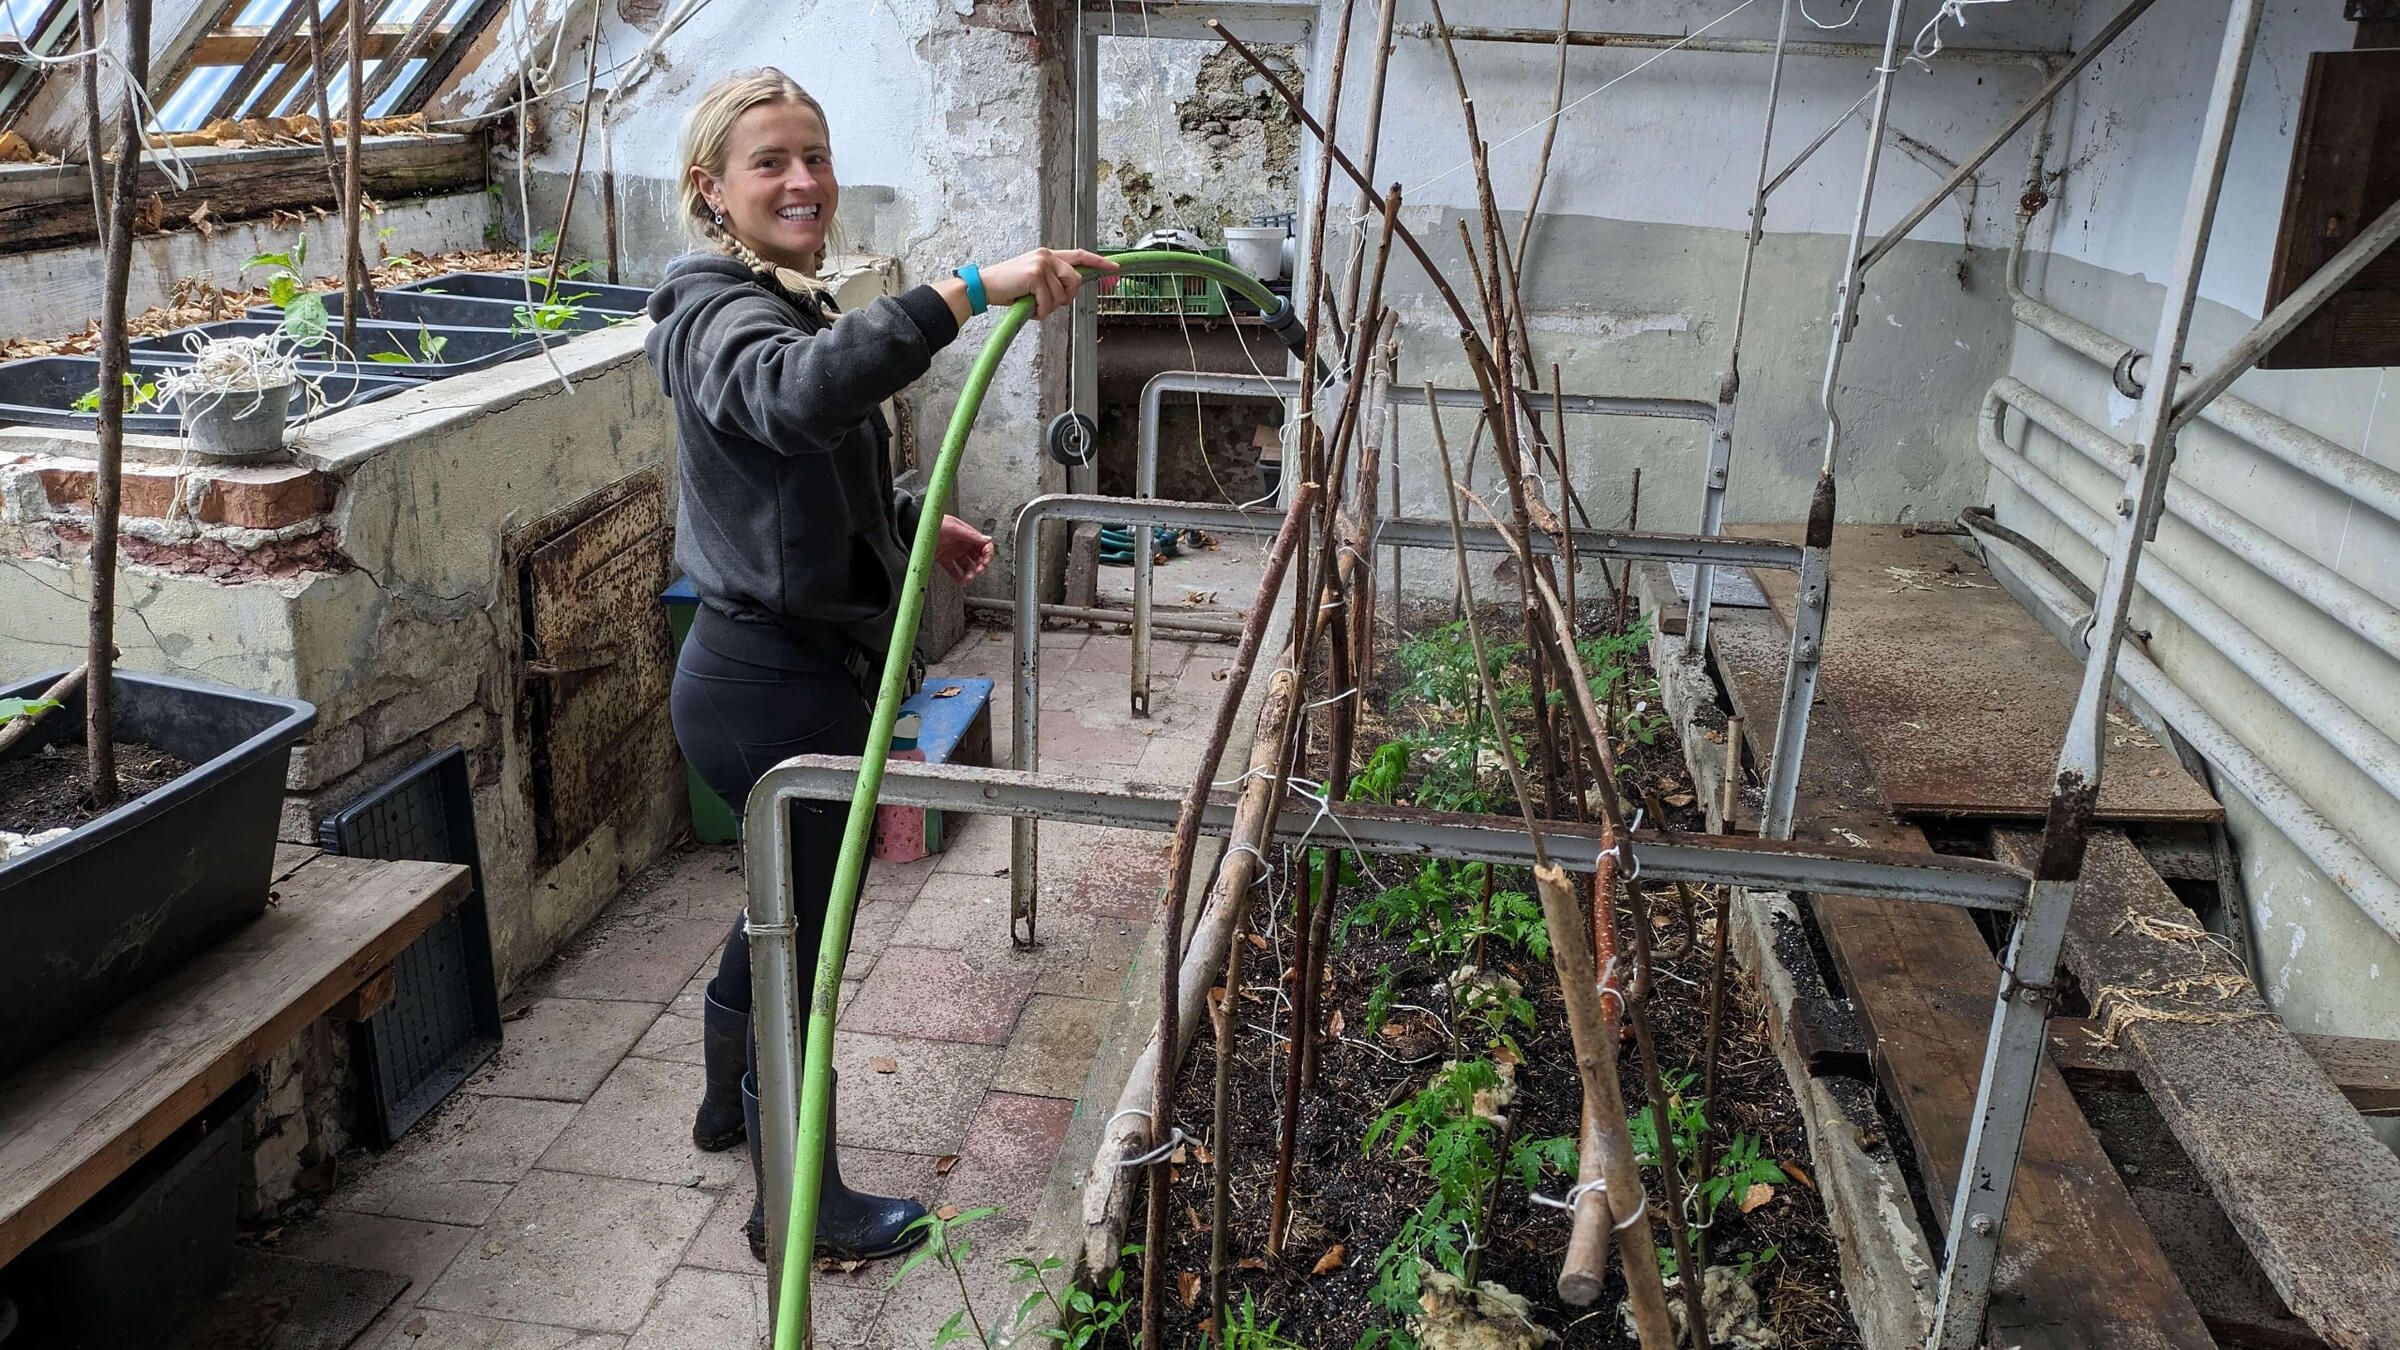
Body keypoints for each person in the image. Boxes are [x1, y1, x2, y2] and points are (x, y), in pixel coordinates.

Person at [644, 67, 1113, 1264]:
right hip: (768, 687)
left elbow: (791, 479)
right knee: (803, 950)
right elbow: (796, 401)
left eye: (816, 155)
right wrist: (962, 290)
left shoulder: (777, 295)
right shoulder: (714, 314)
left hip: (774, 667)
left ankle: (720, 1108)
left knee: (775, 915)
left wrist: (904, 531)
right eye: (770, 162)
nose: (803, 180)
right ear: (711, 189)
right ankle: (799, 1210)